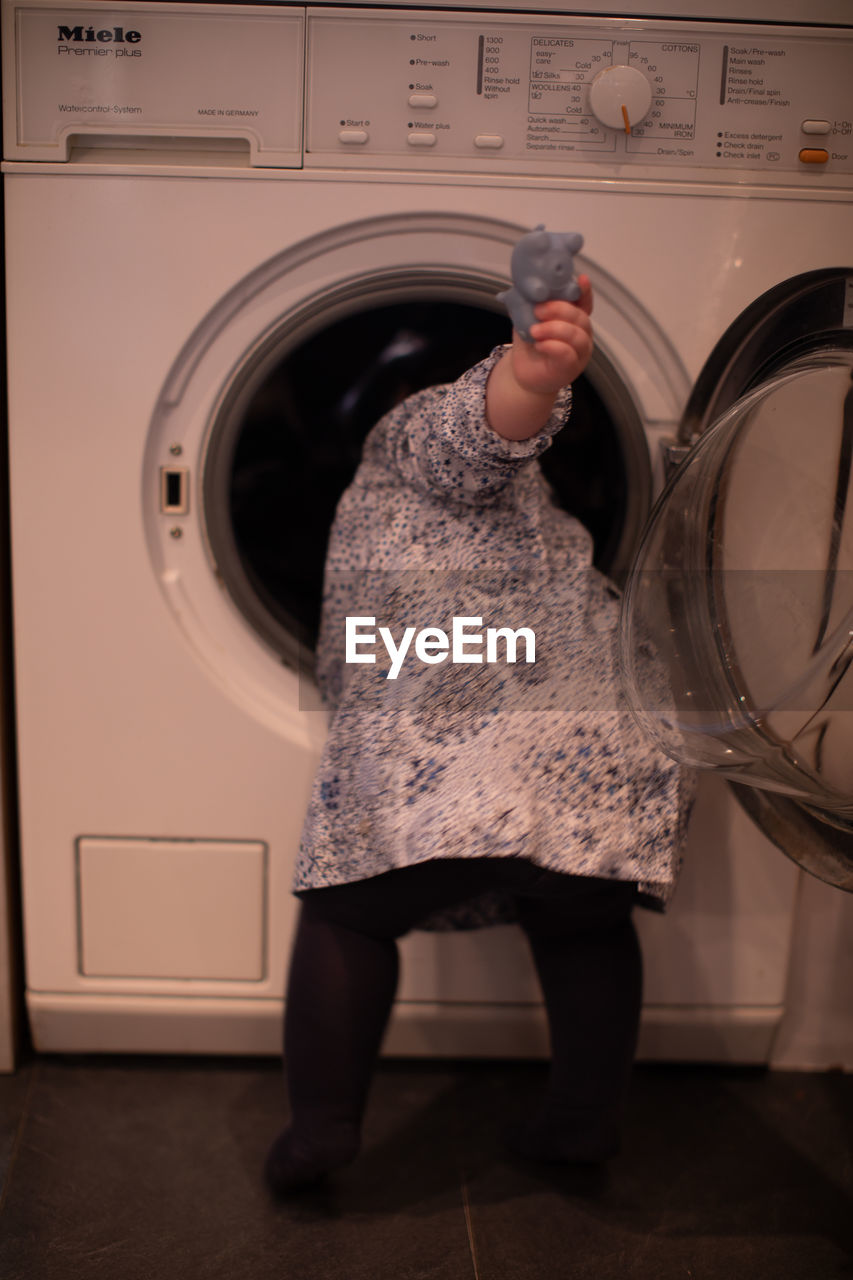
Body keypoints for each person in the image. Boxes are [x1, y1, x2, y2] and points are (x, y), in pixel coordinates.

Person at [265, 280, 693, 1196]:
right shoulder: (552, 522)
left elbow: (479, 431)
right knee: (586, 923)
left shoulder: (402, 441)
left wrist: (529, 373)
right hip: (596, 754)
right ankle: (581, 1124)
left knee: (348, 909)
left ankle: (320, 1131)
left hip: (454, 747)